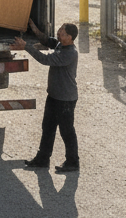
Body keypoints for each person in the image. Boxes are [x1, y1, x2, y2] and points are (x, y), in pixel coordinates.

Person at [17, 19, 80, 173]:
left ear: (69, 38)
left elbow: (45, 59)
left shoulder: (70, 53)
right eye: (60, 30)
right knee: (48, 128)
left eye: (62, 32)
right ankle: (42, 159)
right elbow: (47, 40)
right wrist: (34, 28)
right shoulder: (61, 45)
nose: (59, 33)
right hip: (54, 96)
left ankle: (73, 162)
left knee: (66, 131)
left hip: (65, 99)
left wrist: (26, 47)